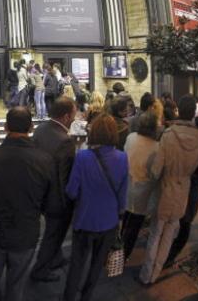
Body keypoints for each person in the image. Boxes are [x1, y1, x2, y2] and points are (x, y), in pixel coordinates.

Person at [0, 107, 52, 301]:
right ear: (32, 127)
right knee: (16, 286)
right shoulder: (44, 159)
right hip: (25, 233)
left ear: (6, 127)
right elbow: (49, 201)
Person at [139, 95, 198, 285]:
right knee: (169, 234)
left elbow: (156, 170)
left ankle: (147, 275)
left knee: (156, 233)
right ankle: (157, 270)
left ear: (178, 110)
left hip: (165, 189)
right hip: (183, 189)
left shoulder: (169, 135)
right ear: (193, 113)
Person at [63, 114, 128, 301]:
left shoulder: (83, 157)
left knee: (77, 264)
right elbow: (123, 195)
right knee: (97, 264)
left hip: (84, 221)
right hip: (109, 222)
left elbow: (72, 191)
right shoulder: (123, 158)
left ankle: (68, 297)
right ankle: (86, 296)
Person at [30, 97, 77, 283]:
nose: (75, 117)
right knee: (54, 234)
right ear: (66, 116)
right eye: (74, 113)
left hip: (41, 192)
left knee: (52, 231)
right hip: (57, 199)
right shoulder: (65, 141)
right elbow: (65, 176)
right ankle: (40, 269)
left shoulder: (41, 129)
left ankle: (55, 259)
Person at [165, 116, 198, 267]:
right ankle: (168, 255)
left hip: (187, 188)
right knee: (183, 222)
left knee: (183, 223)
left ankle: (170, 255)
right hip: (188, 188)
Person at [121, 111, 160, 260]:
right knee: (135, 225)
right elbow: (155, 173)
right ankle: (125, 255)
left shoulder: (131, 138)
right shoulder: (156, 147)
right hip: (142, 192)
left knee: (125, 219)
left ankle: (117, 248)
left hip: (127, 185)